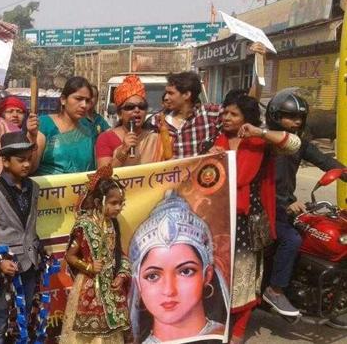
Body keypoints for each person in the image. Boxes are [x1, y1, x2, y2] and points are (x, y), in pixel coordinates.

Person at [210, 94, 301, 343]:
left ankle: (238, 332)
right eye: (225, 112)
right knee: (219, 278)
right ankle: (220, 329)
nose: (227, 118)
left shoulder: (260, 143)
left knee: (245, 279)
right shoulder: (215, 142)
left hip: (247, 224)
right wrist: (211, 159)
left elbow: (293, 143)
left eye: (234, 114)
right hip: (218, 222)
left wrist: (259, 133)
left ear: (246, 119)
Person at [262, 88, 347, 319]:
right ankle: (275, 289)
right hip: (265, 207)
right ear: (275, 116)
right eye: (291, 116)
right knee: (291, 239)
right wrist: (286, 202)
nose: (296, 121)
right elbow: (271, 182)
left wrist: (344, 172)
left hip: (284, 206)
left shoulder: (298, 144)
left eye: (300, 117)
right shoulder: (266, 142)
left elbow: (325, 160)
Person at [128, 191, 229, 343]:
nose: (169, 290)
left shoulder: (220, 336)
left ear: (207, 275)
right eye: (153, 276)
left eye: (185, 271)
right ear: (138, 284)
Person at [0, 132, 43, 344]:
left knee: (26, 315)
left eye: (29, 159)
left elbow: (29, 227)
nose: (26, 164)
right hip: (6, 267)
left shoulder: (34, 187)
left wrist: (39, 250)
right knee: (0, 319)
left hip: (31, 264)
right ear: (5, 161)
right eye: (20, 160)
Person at [60, 164, 132, 343]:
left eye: (121, 203)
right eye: (114, 203)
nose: (118, 208)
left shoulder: (112, 224)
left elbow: (119, 253)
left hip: (110, 289)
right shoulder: (85, 225)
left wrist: (121, 275)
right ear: (100, 202)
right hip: (88, 287)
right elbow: (70, 256)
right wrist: (89, 266)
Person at [145, 71, 221, 159]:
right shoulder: (156, 121)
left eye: (171, 93)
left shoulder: (209, 114)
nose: (166, 97)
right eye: (166, 93)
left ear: (186, 95)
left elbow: (236, 116)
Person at [95, 75, 165, 167]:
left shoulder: (154, 139)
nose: (137, 110)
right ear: (120, 113)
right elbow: (103, 176)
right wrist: (123, 151)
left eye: (142, 107)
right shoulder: (106, 138)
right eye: (130, 107)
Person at [35, 76, 95, 175]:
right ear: (63, 99)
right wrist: (32, 137)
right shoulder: (44, 124)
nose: (84, 105)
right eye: (78, 99)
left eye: (87, 101)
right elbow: (31, 167)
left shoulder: (87, 131)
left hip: (79, 189)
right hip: (49, 189)